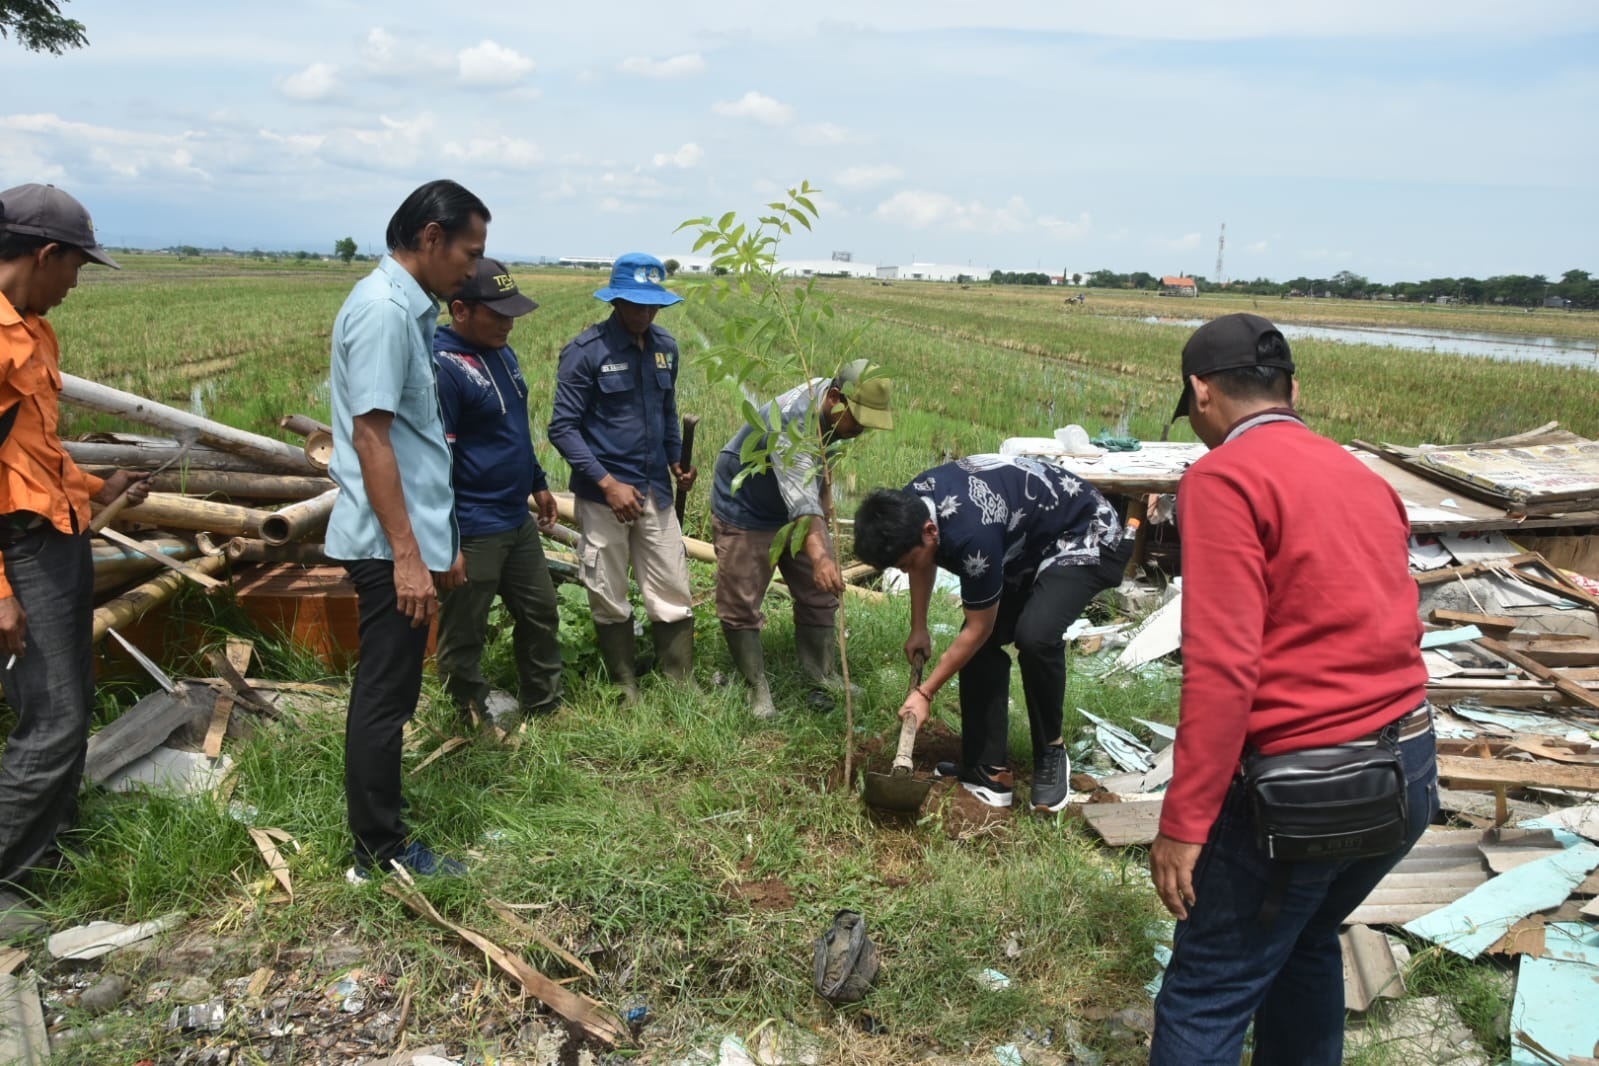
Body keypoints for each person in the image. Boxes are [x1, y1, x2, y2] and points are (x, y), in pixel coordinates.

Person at [1148, 314, 1436, 1065]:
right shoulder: (1358, 474)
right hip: (1408, 763)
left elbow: (1222, 664)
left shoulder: (1221, 478)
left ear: (1199, 392)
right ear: (1293, 390)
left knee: (1206, 989)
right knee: (1306, 941)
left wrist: (1184, 821)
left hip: (1307, 785)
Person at [325, 179, 487, 881]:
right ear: (430, 238)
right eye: (469, 251)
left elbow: (420, 447)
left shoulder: (406, 311)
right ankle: (378, 853)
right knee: (385, 698)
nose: (473, 269)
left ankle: (381, 838)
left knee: (391, 694)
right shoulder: (384, 313)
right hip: (384, 545)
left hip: (406, 541)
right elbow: (372, 440)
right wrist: (407, 558)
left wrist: (436, 548)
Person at [0, 184, 150, 937]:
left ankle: (46, 856)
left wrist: (99, 486)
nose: (77, 283)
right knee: (54, 719)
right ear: (44, 254)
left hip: (55, 534)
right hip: (17, 547)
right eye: (75, 267)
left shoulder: (32, 329)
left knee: (66, 703)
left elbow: (32, 451)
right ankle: (7, 884)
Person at [852, 454, 1129, 811]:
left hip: (1084, 533)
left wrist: (925, 692)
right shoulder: (911, 507)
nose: (905, 571)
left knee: (1035, 635)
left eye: (905, 564)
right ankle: (987, 769)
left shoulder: (971, 535)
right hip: (1027, 542)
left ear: (931, 532)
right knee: (975, 646)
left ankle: (1051, 752)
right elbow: (922, 561)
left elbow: (980, 627)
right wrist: (918, 627)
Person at [548, 252, 695, 702]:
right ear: (615, 301)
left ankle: (678, 682)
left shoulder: (666, 348)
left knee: (671, 582)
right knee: (607, 588)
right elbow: (562, 427)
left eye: (652, 306)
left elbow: (667, 413)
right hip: (602, 495)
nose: (644, 313)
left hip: (655, 488)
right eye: (635, 304)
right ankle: (624, 684)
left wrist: (676, 459)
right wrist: (607, 483)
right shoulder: (586, 352)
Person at [711, 360, 893, 718]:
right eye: (857, 419)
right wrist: (823, 557)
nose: (860, 429)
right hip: (748, 504)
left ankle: (821, 674)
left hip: (797, 502)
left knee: (820, 592)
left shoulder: (832, 406)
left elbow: (818, 465)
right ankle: (756, 686)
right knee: (741, 601)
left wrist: (825, 494)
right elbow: (803, 508)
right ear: (836, 398)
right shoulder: (795, 422)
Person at [432, 256, 562, 727]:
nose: (509, 323)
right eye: (498, 313)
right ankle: (467, 720)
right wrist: (446, 542)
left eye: (512, 313)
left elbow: (513, 428)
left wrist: (537, 482)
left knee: (541, 611)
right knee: (466, 630)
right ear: (461, 309)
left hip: (514, 518)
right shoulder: (442, 367)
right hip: (473, 525)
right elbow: (434, 463)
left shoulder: (502, 353)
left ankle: (544, 705)